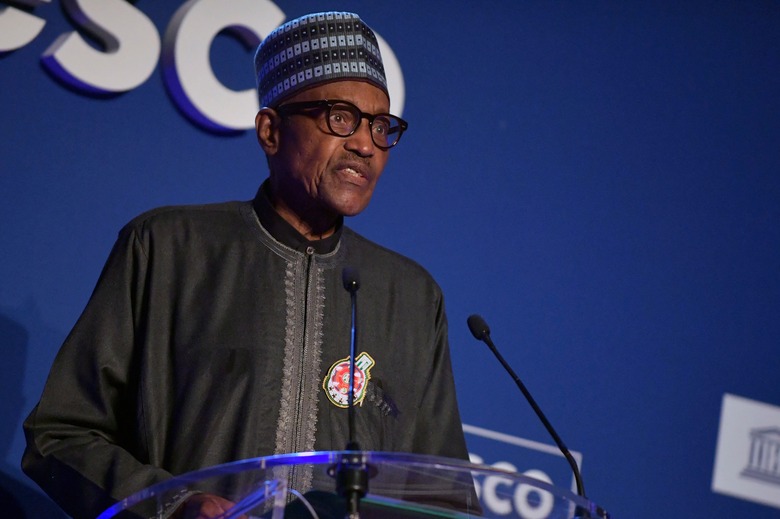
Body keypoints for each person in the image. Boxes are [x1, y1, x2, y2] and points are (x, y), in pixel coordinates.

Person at [22, 11, 470, 519]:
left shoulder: (411, 297)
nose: (365, 144)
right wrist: (175, 505)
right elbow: (60, 435)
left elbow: (445, 496)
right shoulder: (168, 249)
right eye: (340, 117)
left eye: (381, 125)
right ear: (270, 131)